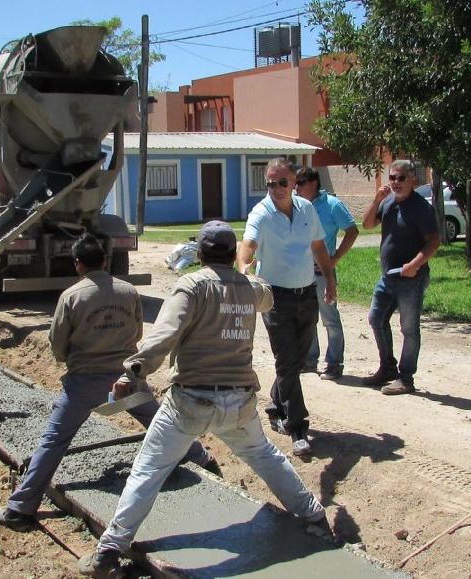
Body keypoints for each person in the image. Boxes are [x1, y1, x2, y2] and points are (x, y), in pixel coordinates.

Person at [77, 221, 331, 579]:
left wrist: (131, 373)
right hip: (239, 403)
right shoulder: (250, 289)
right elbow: (267, 294)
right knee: (266, 457)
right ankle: (315, 516)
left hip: (190, 404)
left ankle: (108, 551)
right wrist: (247, 273)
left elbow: (164, 335)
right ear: (231, 253)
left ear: (199, 254)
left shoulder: (191, 287)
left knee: (148, 470)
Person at [0, 233, 219, 532]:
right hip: (127, 379)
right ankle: (202, 459)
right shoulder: (128, 292)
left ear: (77, 265)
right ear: (104, 261)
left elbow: (58, 347)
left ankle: (20, 508)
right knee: (159, 422)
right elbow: (138, 333)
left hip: (83, 383)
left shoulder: (71, 297)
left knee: (54, 440)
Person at [236, 158, 336, 457]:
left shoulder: (306, 209)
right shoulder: (261, 212)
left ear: (294, 182)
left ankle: (275, 404)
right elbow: (249, 243)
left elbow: (319, 247)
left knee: (299, 359)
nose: (275, 188)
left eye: (282, 182)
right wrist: (243, 267)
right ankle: (298, 428)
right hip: (274, 297)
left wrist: (330, 280)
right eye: (270, 183)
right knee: (286, 358)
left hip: (306, 293)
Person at [362, 160, 440, 395]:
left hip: (411, 279)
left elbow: (433, 242)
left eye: (401, 178)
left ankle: (406, 378)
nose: (395, 182)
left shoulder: (421, 208)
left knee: (409, 328)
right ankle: (387, 368)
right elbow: (367, 225)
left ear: (413, 180)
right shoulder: (387, 203)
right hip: (388, 277)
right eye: (392, 178)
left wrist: (415, 265)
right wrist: (376, 200)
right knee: (376, 319)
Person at [294, 167, 359, 380]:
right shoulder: (297, 205)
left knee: (330, 318)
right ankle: (310, 360)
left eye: (300, 183)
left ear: (313, 183)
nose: (296, 187)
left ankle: (334, 363)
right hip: (301, 272)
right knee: (307, 317)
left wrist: (335, 258)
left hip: (322, 272)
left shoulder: (332, 205)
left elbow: (352, 230)